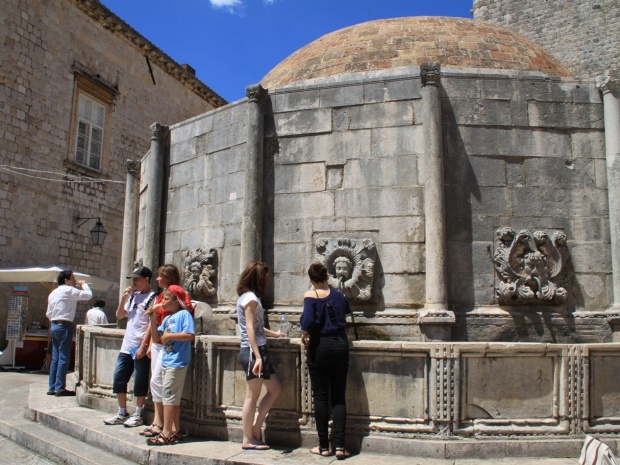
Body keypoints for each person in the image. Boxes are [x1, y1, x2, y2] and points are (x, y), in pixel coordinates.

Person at [300, 262, 351, 460]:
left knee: (320, 396)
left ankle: (323, 446)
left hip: (319, 346)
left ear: (311, 279)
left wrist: (305, 332)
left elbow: (309, 320)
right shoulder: (339, 295)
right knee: (338, 397)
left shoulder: (310, 295)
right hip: (340, 345)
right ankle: (340, 446)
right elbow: (345, 311)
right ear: (327, 276)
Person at [236, 261, 285, 450]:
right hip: (252, 351)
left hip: (256, 350)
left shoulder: (247, 297)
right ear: (259, 278)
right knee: (251, 396)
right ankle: (248, 438)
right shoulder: (251, 299)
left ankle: (255, 428)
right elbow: (249, 328)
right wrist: (257, 356)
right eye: (265, 276)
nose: (267, 280)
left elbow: (257, 327)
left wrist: (276, 334)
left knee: (275, 389)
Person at [140, 264, 191, 439]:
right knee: (157, 383)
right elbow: (156, 328)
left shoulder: (174, 294)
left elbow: (187, 313)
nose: (157, 278)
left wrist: (166, 337)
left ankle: (166, 427)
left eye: (161, 276)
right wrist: (147, 342)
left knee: (161, 385)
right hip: (160, 342)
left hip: (169, 349)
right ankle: (161, 423)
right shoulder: (164, 299)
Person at [104, 266, 157, 427]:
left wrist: (145, 345)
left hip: (139, 345)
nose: (134, 282)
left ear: (146, 279)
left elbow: (151, 323)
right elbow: (120, 316)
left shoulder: (153, 298)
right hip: (126, 345)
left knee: (140, 381)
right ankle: (122, 411)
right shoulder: (133, 297)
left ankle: (138, 413)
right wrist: (123, 298)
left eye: (137, 279)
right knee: (119, 379)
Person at [46, 270, 92, 396]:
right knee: (63, 358)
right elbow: (88, 295)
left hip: (54, 325)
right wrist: (84, 285)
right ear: (66, 280)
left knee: (55, 358)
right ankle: (60, 388)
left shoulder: (53, 293)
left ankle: (52, 386)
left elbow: (48, 313)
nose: (75, 281)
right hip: (64, 325)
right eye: (73, 278)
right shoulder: (69, 290)